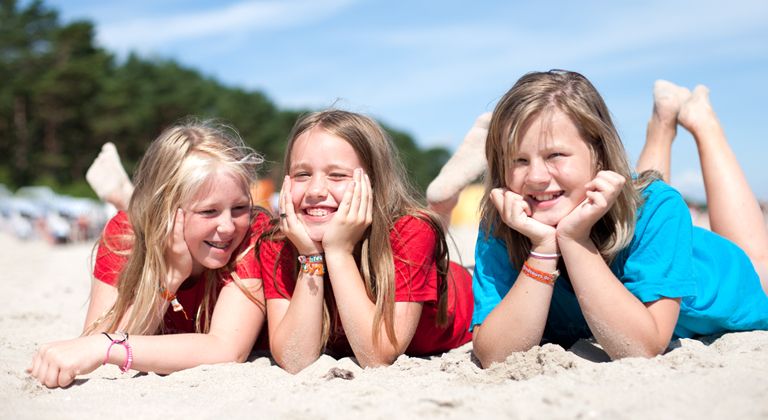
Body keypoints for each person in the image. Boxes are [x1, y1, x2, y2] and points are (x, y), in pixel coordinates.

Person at [470, 70, 768, 367]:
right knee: (638, 193)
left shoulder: (660, 208)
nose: (535, 177)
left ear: (599, 153)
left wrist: (574, 239)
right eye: (519, 160)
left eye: (555, 155)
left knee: (756, 258)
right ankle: (662, 123)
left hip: (721, 274)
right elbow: (495, 355)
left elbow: (642, 348)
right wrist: (543, 249)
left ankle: (703, 124)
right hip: (633, 218)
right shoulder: (504, 223)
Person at [28, 120, 269, 387]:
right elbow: (96, 338)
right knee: (138, 226)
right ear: (166, 211)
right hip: (149, 225)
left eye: (239, 207)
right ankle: (130, 200)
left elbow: (227, 349)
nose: (227, 226)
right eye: (208, 211)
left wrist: (106, 348)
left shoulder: (252, 235)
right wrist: (170, 278)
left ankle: (127, 195)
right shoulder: (125, 235)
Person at [257, 110, 473, 373]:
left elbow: (378, 354)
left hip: (465, 299)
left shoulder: (410, 231)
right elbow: (294, 359)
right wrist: (311, 257)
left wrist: (338, 252)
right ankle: (443, 204)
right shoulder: (278, 243)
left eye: (337, 175)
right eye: (302, 174)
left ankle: (442, 206)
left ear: (373, 182)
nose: (314, 191)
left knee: (431, 225)